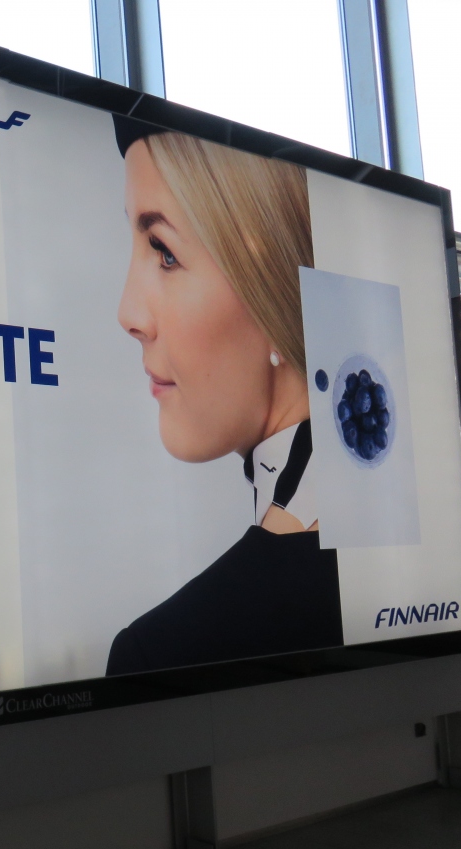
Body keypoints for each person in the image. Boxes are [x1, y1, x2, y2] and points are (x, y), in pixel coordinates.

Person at [105, 119, 344, 677]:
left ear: (268, 282)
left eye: (164, 252)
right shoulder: (416, 562)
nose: (128, 314)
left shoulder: (163, 655)